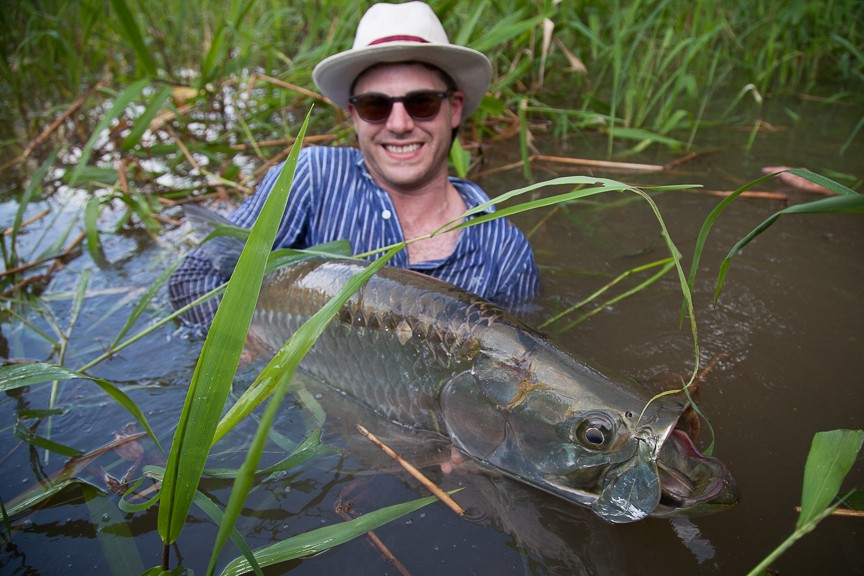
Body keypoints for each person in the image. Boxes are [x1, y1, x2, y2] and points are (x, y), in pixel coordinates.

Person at [168, 1, 540, 327]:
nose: (399, 124)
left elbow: (517, 371)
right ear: (353, 115)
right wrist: (245, 344)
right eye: (375, 106)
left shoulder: (505, 253)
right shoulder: (310, 178)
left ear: (454, 108)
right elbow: (195, 278)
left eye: (421, 102)